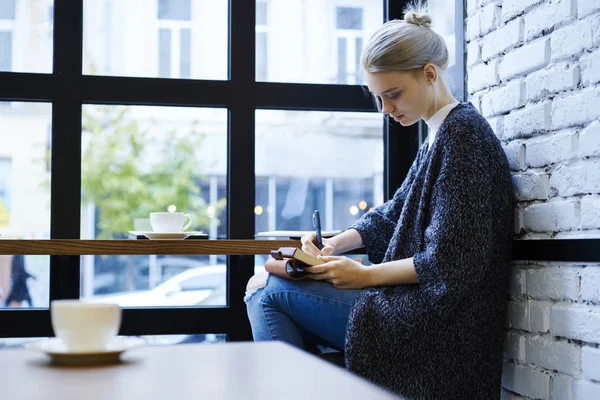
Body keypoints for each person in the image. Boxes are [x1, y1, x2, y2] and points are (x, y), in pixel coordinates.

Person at [244, 3, 513, 399]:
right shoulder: (441, 135)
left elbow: (452, 261)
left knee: (265, 291)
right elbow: (394, 214)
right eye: (379, 98)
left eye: (393, 95)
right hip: (425, 315)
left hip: (441, 331)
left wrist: (365, 275)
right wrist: (338, 243)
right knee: (264, 285)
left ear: (429, 74)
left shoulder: (463, 138)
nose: (386, 109)